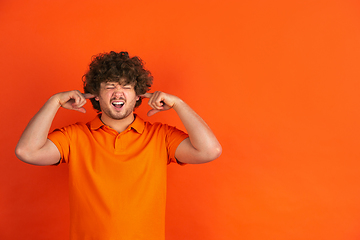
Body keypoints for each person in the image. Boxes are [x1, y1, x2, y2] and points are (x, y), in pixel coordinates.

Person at [15, 51, 222, 240]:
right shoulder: (75, 136)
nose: (118, 92)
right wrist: (54, 102)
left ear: (138, 94)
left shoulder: (160, 136)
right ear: (95, 94)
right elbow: (27, 152)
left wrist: (179, 104)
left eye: (126, 86)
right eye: (110, 86)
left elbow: (209, 150)